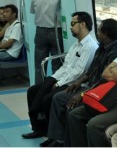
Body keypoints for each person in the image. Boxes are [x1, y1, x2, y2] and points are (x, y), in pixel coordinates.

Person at [40, 18, 117, 147]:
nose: (97, 33)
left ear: (106, 34)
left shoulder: (116, 53)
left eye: (100, 30)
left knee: (71, 108)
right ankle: (58, 138)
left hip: (99, 92)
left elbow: (103, 82)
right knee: (58, 97)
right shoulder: (101, 48)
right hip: (89, 87)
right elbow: (91, 71)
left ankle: (71, 143)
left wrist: (82, 94)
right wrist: (78, 82)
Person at [21, 11, 98, 139]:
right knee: (32, 91)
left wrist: (58, 84)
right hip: (63, 79)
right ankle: (38, 128)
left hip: (75, 84)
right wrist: (53, 79)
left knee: (48, 98)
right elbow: (65, 66)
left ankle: (51, 134)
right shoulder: (76, 45)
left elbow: (79, 71)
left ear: (82, 24)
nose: (70, 26)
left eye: (73, 23)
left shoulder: (90, 46)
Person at [30, 0, 63, 84]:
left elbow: (33, 11)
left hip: (41, 32)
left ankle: (38, 90)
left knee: (40, 65)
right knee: (57, 64)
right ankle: (54, 89)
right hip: (57, 32)